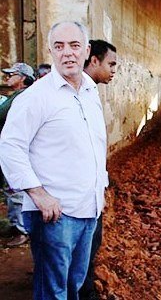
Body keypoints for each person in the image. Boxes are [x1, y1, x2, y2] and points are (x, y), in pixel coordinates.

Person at [0, 21, 108, 299]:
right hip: (55, 213)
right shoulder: (36, 96)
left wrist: (100, 188)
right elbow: (11, 146)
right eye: (59, 47)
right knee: (53, 291)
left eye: (74, 46)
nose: (67, 53)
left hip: (88, 209)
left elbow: (93, 144)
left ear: (86, 51)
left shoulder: (89, 91)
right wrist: (38, 194)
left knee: (74, 286)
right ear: (50, 51)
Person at [80, 39, 117, 300]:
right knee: (75, 255)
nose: (115, 70)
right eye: (111, 64)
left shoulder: (90, 92)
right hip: (72, 197)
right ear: (94, 60)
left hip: (90, 191)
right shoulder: (67, 92)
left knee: (89, 249)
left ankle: (87, 291)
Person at [0, 62, 35, 246]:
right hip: (14, 149)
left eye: (11, 74)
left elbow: (1, 115)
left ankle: (21, 230)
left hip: (18, 150)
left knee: (15, 189)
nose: (7, 78)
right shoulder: (18, 96)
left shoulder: (22, 97)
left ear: (22, 78)